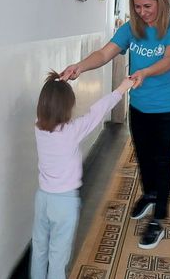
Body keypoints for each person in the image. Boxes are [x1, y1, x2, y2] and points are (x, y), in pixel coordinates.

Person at [60, 0, 170, 250]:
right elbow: (105, 53)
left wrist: (145, 71)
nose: (142, 12)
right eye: (137, 7)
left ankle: (159, 219)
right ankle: (150, 193)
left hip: (167, 109)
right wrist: (79, 67)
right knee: (143, 155)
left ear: (161, 3)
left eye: (147, 6)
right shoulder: (132, 28)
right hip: (139, 106)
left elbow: (169, 60)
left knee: (162, 160)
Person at [31, 71, 134, 279]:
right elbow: (98, 112)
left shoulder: (38, 127)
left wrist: (57, 85)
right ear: (67, 108)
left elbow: (50, 104)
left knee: (39, 249)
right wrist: (122, 88)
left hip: (42, 198)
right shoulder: (71, 131)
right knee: (58, 256)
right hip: (65, 203)